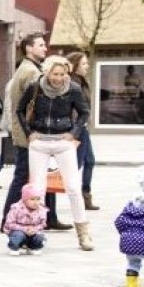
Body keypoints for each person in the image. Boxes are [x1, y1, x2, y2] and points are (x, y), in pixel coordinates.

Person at [18, 54, 94, 251]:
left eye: (62, 74)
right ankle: (32, 232)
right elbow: (19, 109)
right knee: (38, 189)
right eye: (55, 74)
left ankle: (83, 234)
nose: (59, 78)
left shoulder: (74, 89)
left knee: (73, 188)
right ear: (47, 72)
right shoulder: (35, 87)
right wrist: (29, 133)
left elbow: (84, 112)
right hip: (39, 141)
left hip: (63, 141)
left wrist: (74, 133)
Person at [1, 32, 64, 230]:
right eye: (41, 45)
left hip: (27, 132)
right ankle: (8, 220)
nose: (45, 48)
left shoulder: (28, 68)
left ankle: (48, 217)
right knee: (23, 176)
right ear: (29, 48)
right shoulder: (31, 72)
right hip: (30, 133)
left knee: (36, 175)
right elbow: (38, 103)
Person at [66, 51, 100, 210]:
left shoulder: (82, 81)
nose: (87, 66)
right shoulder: (72, 83)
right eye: (84, 64)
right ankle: (76, 196)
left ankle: (85, 195)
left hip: (83, 127)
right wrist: (75, 130)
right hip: (77, 128)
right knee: (76, 164)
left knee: (89, 161)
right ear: (75, 66)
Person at [3, 182, 48, 255]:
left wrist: (35, 229)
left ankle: (33, 247)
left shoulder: (41, 210)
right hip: (18, 230)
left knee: (40, 236)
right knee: (18, 235)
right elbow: (9, 223)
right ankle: (14, 247)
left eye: (38, 199)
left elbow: (43, 224)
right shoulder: (16, 208)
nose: (36, 202)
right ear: (25, 199)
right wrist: (24, 229)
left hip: (32, 231)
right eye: (32, 199)